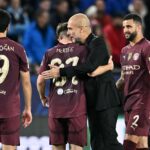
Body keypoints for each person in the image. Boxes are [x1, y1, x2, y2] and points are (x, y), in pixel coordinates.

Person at [42, 13, 123, 150]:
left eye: (70, 28)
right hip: (93, 103)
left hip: (106, 101)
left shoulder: (98, 42)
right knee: (96, 144)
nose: (68, 32)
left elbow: (89, 67)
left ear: (82, 28)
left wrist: (60, 72)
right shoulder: (81, 48)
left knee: (109, 142)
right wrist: (107, 67)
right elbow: (89, 71)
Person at [37, 22, 88, 150]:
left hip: (56, 108)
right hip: (77, 107)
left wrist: (43, 97)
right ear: (72, 35)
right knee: (76, 147)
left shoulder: (49, 53)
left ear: (59, 37)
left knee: (57, 146)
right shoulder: (82, 50)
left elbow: (40, 81)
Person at [116, 13, 150, 150]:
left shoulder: (147, 47)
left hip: (143, 102)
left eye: (129, 26)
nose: (125, 30)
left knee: (129, 142)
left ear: (139, 27)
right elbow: (123, 79)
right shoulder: (124, 51)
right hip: (128, 102)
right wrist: (109, 91)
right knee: (141, 144)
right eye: (124, 27)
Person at [0, 9, 32, 150]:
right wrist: (28, 108)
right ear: (8, 26)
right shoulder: (18, 49)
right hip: (9, 108)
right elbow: (26, 82)